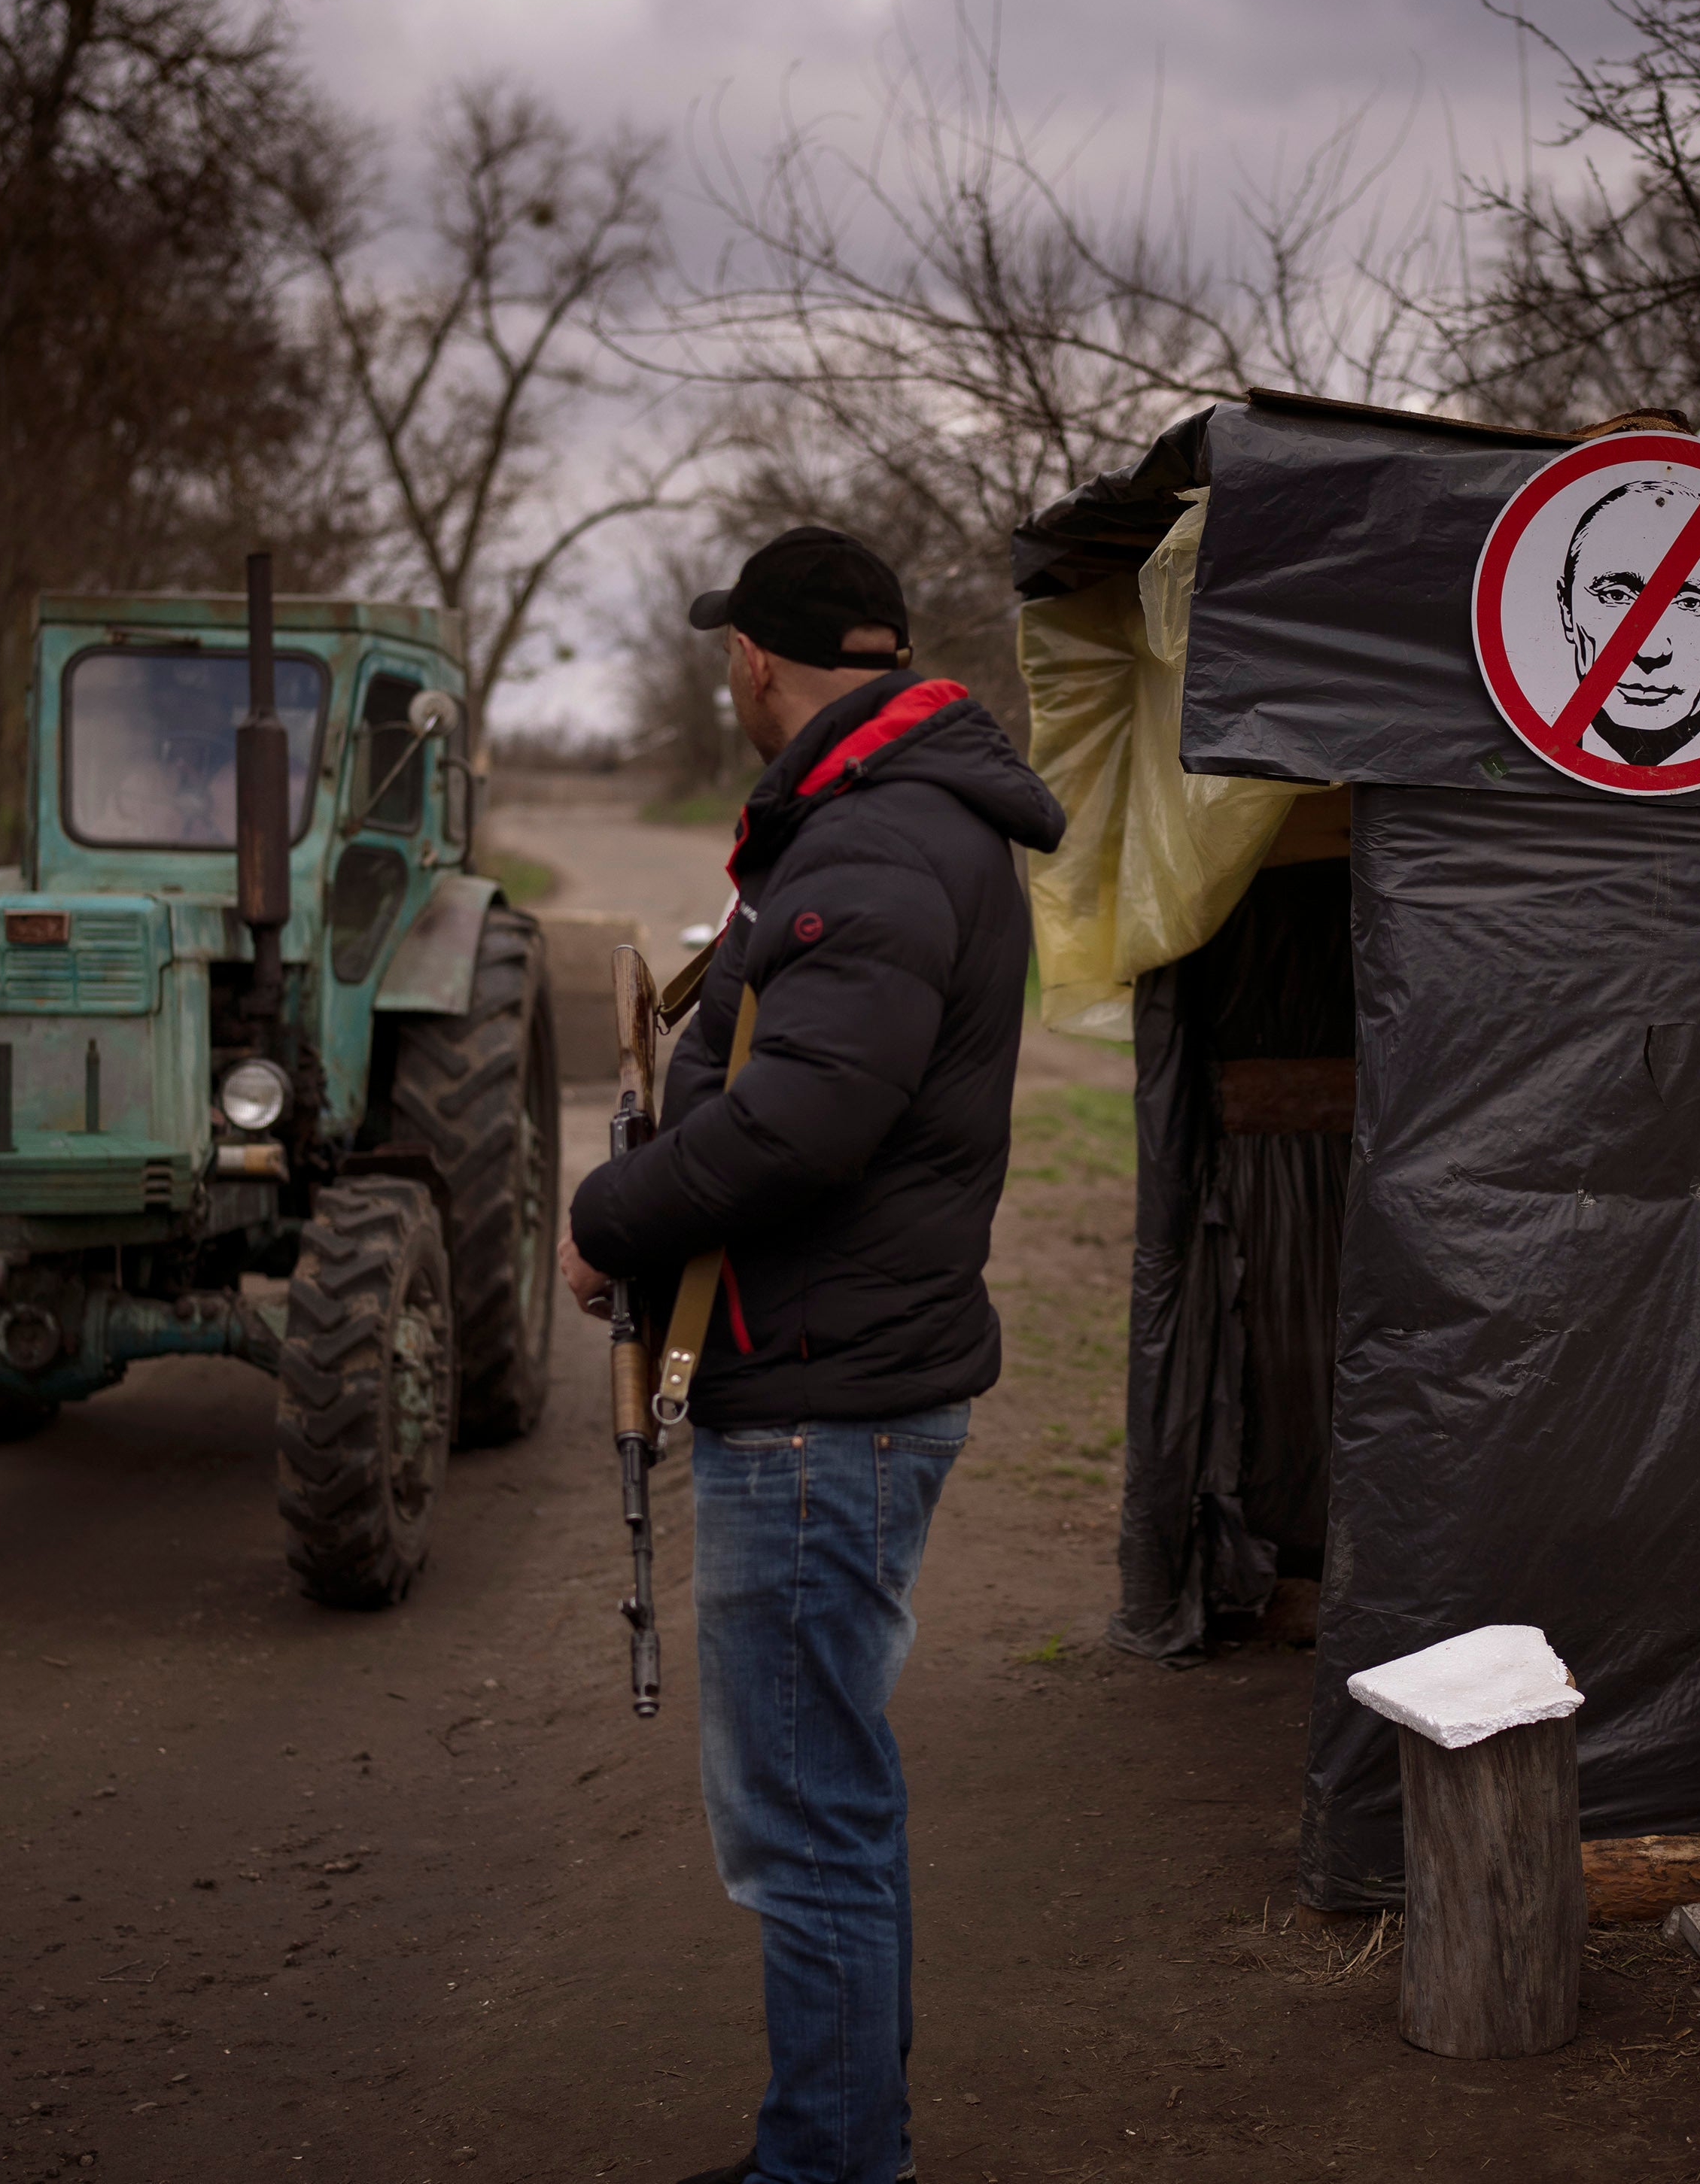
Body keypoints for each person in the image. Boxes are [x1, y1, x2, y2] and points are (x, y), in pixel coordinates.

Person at [558, 525, 1066, 2184]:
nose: (726, 676)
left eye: (728, 655)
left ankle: (834, 2170)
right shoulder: (890, 824)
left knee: (807, 1825)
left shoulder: (880, 841)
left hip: (817, 1409)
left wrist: (611, 1210)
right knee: (825, 1806)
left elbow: (809, 1122)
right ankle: (834, 2146)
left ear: (759, 661)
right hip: (831, 1390)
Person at [1554, 472, 1700, 768]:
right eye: (1617, 596)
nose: (1650, 652)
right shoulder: (1515, 776)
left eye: (1690, 603)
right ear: (1567, 610)